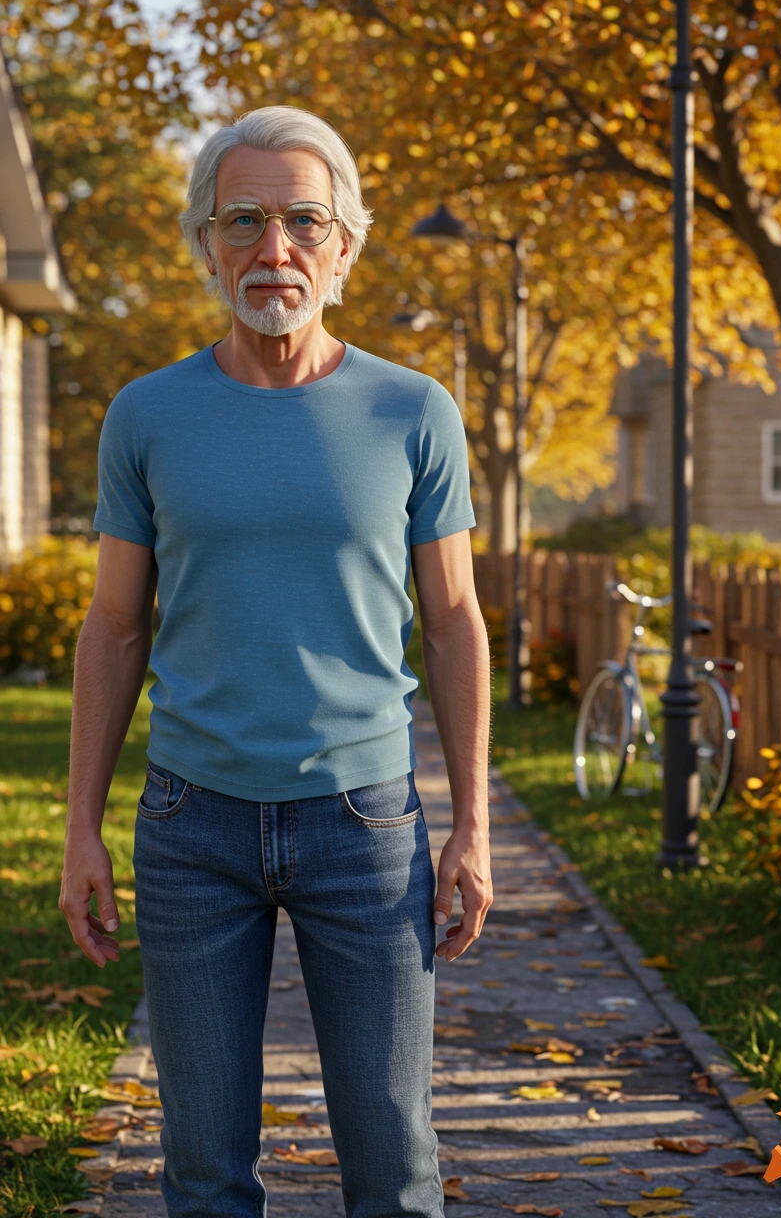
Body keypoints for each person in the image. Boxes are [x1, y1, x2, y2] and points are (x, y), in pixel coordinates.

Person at [59, 105, 494, 1218]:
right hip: (189, 826)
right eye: (242, 218)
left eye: (304, 219)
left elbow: (451, 619)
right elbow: (113, 625)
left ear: (345, 243)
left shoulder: (413, 410)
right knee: (203, 1175)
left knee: (394, 1170)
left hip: (365, 827)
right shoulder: (146, 415)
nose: (274, 248)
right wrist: (80, 826)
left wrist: (471, 824)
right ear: (206, 241)